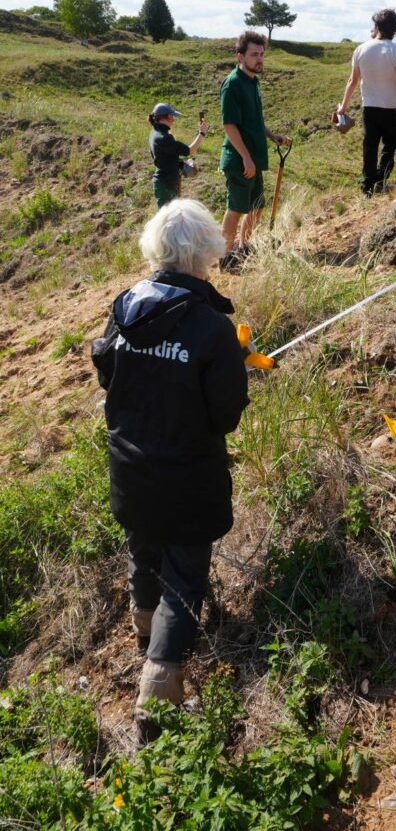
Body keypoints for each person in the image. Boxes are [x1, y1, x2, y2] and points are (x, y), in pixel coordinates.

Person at [91, 199, 249, 744]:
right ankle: (156, 701)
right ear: (206, 252)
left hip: (130, 468)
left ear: (155, 247)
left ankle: (143, 629)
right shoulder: (210, 327)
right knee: (184, 578)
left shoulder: (125, 307)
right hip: (187, 478)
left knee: (144, 548)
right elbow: (225, 415)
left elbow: (104, 368)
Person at [219, 31, 292, 270]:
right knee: (236, 208)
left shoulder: (253, 82)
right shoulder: (233, 84)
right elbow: (229, 125)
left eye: (261, 54)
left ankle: (243, 247)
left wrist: (273, 136)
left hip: (253, 159)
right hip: (239, 159)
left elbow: (255, 120)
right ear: (240, 56)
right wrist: (246, 158)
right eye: (254, 54)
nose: (259, 59)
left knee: (256, 206)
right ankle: (225, 257)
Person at [333, 8, 396, 197]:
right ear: (394, 30)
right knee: (392, 143)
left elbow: (352, 81)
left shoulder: (361, 49)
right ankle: (381, 178)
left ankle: (367, 187)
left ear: (376, 26)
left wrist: (343, 108)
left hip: (369, 108)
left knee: (370, 145)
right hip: (392, 109)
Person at [148, 103, 207, 208]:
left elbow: (165, 157)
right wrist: (201, 133)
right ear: (164, 117)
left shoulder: (154, 132)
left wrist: (180, 163)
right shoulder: (164, 137)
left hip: (164, 182)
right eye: (171, 117)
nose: (173, 120)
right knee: (169, 220)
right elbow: (190, 150)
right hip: (167, 184)